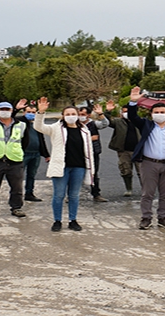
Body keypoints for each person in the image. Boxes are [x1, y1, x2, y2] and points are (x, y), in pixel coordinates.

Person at [127, 86, 165, 230]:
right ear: (151, 114)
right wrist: (133, 102)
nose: (159, 114)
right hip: (149, 163)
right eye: (156, 112)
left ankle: (163, 217)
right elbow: (133, 117)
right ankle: (146, 218)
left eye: (162, 112)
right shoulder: (146, 125)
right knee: (147, 193)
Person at [33, 97, 94, 232]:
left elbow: (88, 151)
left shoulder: (84, 130)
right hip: (61, 167)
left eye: (73, 114)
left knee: (74, 195)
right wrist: (41, 113)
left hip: (79, 167)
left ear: (78, 115)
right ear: (63, 116)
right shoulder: (56, 128)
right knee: (59, 195)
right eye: (67, 114)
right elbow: (38, 127)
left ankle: (73, 220)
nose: (71, 116)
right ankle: (57, 220)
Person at [13, 100, 50, 202]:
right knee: (18, 175)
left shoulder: (38, 124)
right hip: (23, 153)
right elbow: (10, 118)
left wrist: (46, 154)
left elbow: (41, 140)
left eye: (33, 112)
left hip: (36, 154)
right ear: (24, 112)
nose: (31, 114)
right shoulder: (19, 122)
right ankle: (16, 195)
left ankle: (29, 193)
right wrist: (16, 109)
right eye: (29, 112)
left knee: (31, 175)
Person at [105, 101, 141, 196]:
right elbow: (107, 121)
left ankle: (146, 189)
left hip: (139, 151)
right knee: (126, 170)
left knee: (142, 172)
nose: (125, 113)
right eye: (124, 111)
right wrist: (107, 111)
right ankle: (128, 189)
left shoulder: (140, 122)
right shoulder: (118, 122)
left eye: (128, 111)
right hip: (124, 151)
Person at [78, 104, 109, 202]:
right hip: (78, 153)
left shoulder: (93, 124)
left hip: (92, 153)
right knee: (75, 174)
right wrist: (89, 138)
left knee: (93, 174)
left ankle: (96, 194)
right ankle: (72, 195)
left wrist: (101, 114)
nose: (80, 116)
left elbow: (105, 124)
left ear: (88, 115)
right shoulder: (74, 124)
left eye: (83, 114)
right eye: (79, 114)